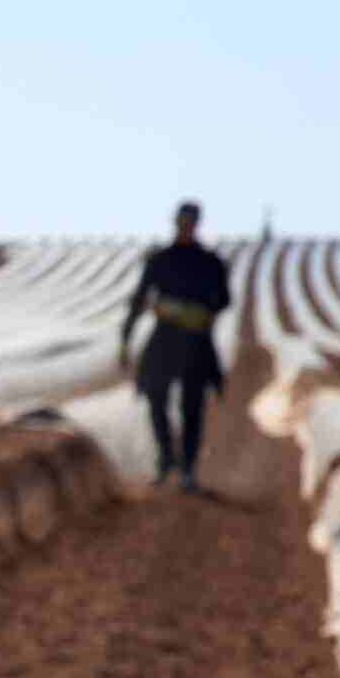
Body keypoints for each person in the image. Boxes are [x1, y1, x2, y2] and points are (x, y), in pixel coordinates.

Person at [119, 200, 234, 492]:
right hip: (165, 338)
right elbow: (140, 297)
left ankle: (188, 469)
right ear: (176, 223)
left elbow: (223, 299)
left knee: (192, 405)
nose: (186, 226)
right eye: (182, 221)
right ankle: (166, 457)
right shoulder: (160, 260)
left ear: (196, 224)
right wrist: (126, 336)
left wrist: (199, 310)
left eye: (190, 221)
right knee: (155, 396)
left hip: (196, 341)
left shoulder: (209, 262)